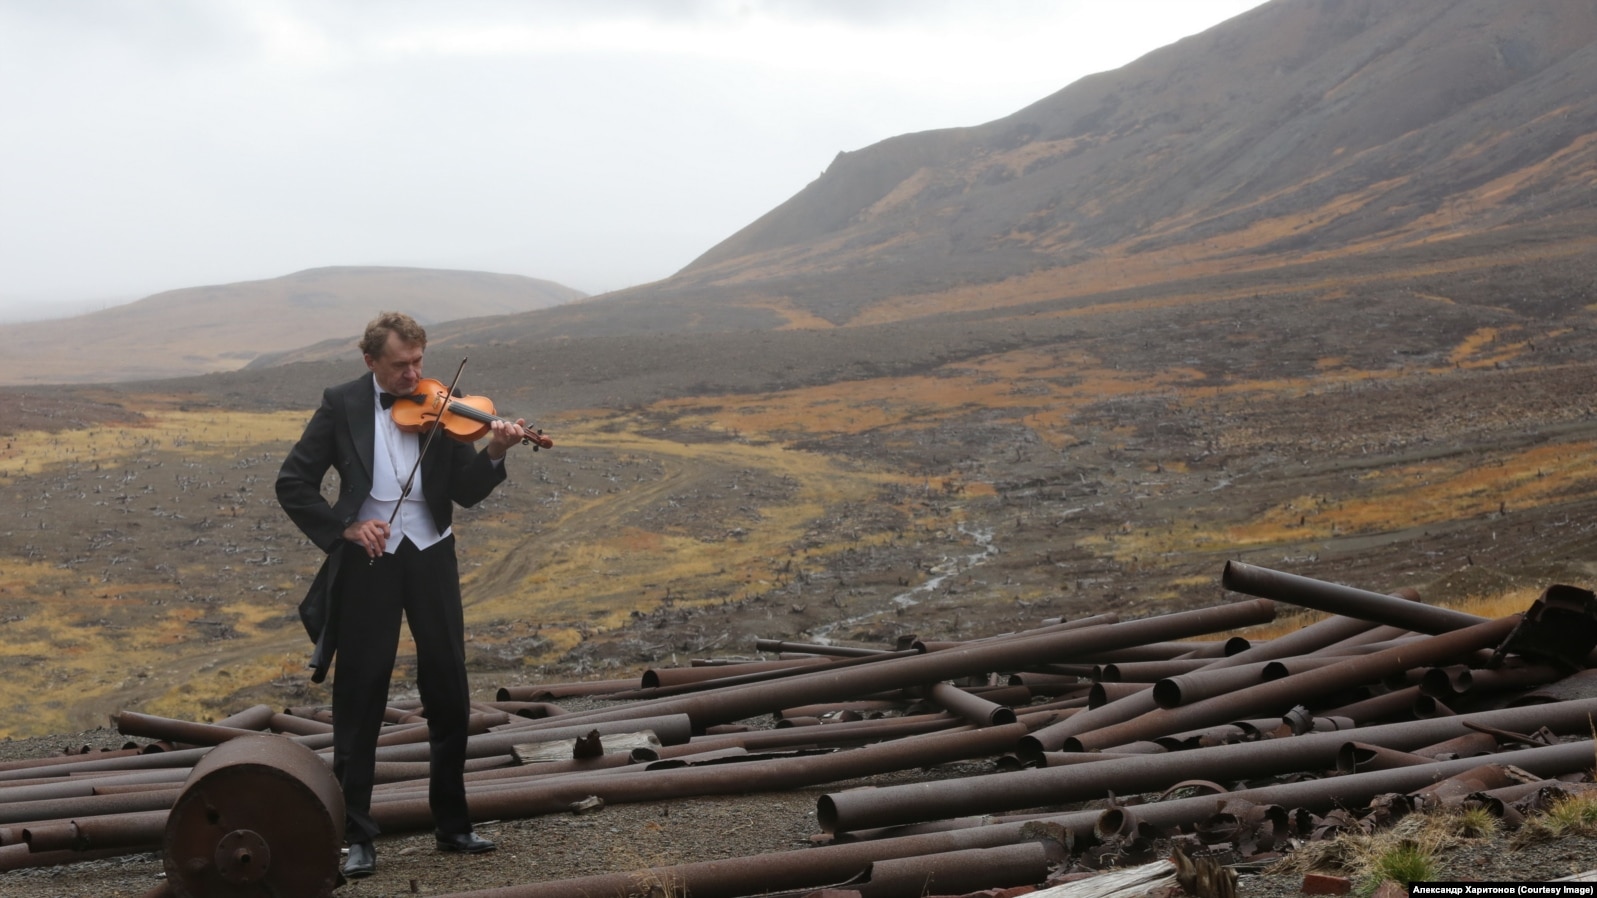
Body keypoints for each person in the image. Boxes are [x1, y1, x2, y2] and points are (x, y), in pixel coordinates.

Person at [276, 311, 533, 879]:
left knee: (448, 686)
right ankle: (358, 835)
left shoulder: (446, 400)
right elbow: (292, 482)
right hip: (372, 559)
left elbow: (464, 492)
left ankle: (453, 823)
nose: (413, 375)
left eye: (419, 362)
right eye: (399, 365)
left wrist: (496, 452)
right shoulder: (341, 403)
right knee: (361, 692)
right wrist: (344, 527)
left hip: (432, 553)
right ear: (370, 361)